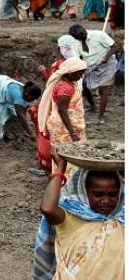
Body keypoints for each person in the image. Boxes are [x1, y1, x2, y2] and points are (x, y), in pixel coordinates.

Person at [33, 168, 124, 280]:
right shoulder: (71, 218)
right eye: (98, 194)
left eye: (112, 194)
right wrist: (60, 170)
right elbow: (47, 209)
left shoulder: (122, 219)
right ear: (84, 191)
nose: (106, 201)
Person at [28, 35, 81, 176]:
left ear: (60, 48)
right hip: (63, 108)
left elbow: (51, 84)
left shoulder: (61, 65)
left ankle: (47, 166)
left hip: (55, 107)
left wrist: (44, 73)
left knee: (46, 133)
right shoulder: (76, 64)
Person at [37, 57, 87, 175]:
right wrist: (72, 133)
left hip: (67, 125)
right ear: (70, 72)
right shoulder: (65, 87)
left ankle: (64, 180)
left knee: (69, 154)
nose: (81, 75)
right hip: (64, 128)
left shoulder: (70, 83)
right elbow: (62, 110)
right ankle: (66, 182)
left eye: (83, 72)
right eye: (80, 73)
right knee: (68, 155)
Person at [69, 24, 118, 123]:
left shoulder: (99, 35)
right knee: (83, 85)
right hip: (91, 66)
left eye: (78, 38)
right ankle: (93, 106)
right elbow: (79, 57)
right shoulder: (77, 42)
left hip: (107, 65)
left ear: (82, 33)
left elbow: (114, 47)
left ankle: (100, 117)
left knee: (103, 90)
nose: (78, 40)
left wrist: (106, 57)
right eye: (76, 39)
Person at [0, 75, 41, 142]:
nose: (33, 100)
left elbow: (23, 112)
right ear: (27, 94)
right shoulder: (18, 95)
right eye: (32, 98)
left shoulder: (26, 93)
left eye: (35, 99)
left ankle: (7, 128)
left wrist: (26, 130)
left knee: (11, 111)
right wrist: (31, 133)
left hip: (2, 85)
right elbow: (20, 115)